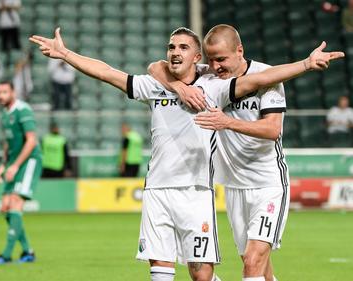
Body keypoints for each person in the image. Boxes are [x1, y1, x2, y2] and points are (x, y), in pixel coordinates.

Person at [29, 27, 343, 281]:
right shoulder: (154, 85)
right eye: (171, 47)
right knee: (163, 272)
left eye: (183, 47)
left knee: (203, 274)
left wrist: (305, 64)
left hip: (197, 193)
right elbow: (108, 73)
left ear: (197, 57)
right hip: (157, 192)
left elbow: (259, 80)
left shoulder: (215, 87)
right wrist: (65, 54)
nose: (175, 52)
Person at [148, 24, 344, 281]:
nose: (216, 66)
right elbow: (155, 67)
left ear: (239, 50)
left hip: (267, 184)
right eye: (210, 60)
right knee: (258, 266)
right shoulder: (212, 76)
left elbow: (273, 130)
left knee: (253, 262)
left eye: (221, 59)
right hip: (234, 186)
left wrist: (307, 63)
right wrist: (179, 87)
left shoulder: (267, 77)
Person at [0, 81, 42, 265]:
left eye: (4, 92)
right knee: (6, 207)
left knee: (15, 202)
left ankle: (6, 255)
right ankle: (28, 252)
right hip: (14, 162)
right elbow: (8, 143)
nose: (0, 96)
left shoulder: (23, 110)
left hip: (29, 161)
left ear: (13, 92)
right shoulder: (5, 114)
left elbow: (31, 141)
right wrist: (3, 165)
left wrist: (15, 166)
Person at [0, 0, 21, 65]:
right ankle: (4, 61)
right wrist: (8, 7)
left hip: (14, 23)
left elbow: (18, 7)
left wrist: (7, 7)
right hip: (3, 24)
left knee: (16, 44)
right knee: (4, 44)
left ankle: (17, 60)